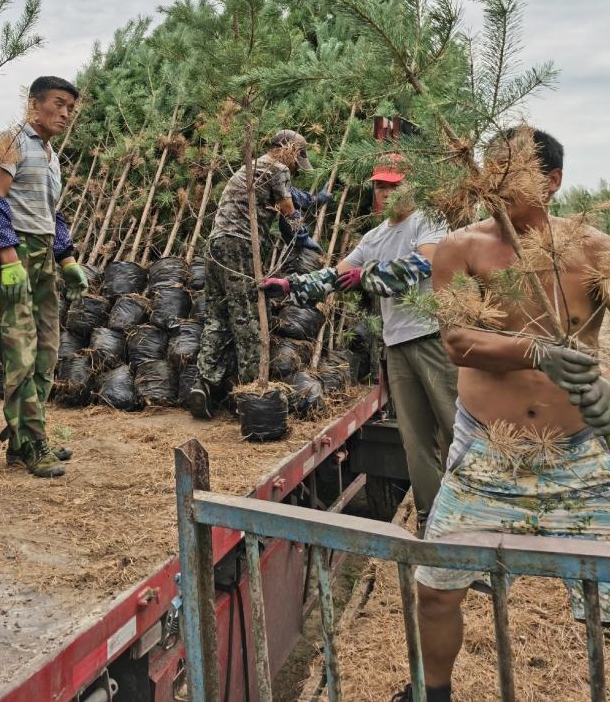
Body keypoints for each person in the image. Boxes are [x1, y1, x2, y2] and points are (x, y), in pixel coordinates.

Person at [390, 128, 610, 702]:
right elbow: (458, 341)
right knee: (436, 586)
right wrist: (535, 350)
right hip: (490, 448)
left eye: (509, 172)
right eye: (489, 170)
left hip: (579, 451)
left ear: (553, 181)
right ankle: (433, 693)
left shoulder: (591, 249)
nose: (492, 183)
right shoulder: (461, 247)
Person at [262, 154, 457, 534]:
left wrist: (367, 276)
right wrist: (291, 286)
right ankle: (431, 520)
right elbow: (336, 275)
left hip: (434, 339)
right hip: (397, 345)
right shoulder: (374, 237)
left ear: (411, 186)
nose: (385, 193)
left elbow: (424, 265)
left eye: (393, 185)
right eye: (379, 186)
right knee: (416, 442)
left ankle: (474, 516)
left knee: (455, 429)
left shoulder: (429, 221)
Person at [0, 76, 88, 478]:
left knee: (46, 349)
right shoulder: (10, 141)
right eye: (58, 103)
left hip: (40, 255)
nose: (64, 113)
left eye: (70, 108)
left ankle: (26, 439)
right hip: (14, 254)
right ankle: (31, 444)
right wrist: (8, 259)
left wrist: (67, 257)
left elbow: (50, 213)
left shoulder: (50, 153)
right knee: (20, 352)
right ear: (33, 103)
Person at [189, 129, 315, 419]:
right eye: (298, 159)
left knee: (217, 318)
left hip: (216, 244)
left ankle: (204, 385)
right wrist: (300, 232)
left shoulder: (250, 167)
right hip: (240, 244)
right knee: (246, 318)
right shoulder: (278, 167)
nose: (297, 167)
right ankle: (248, 395)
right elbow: (286, 206)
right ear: (290, 151)